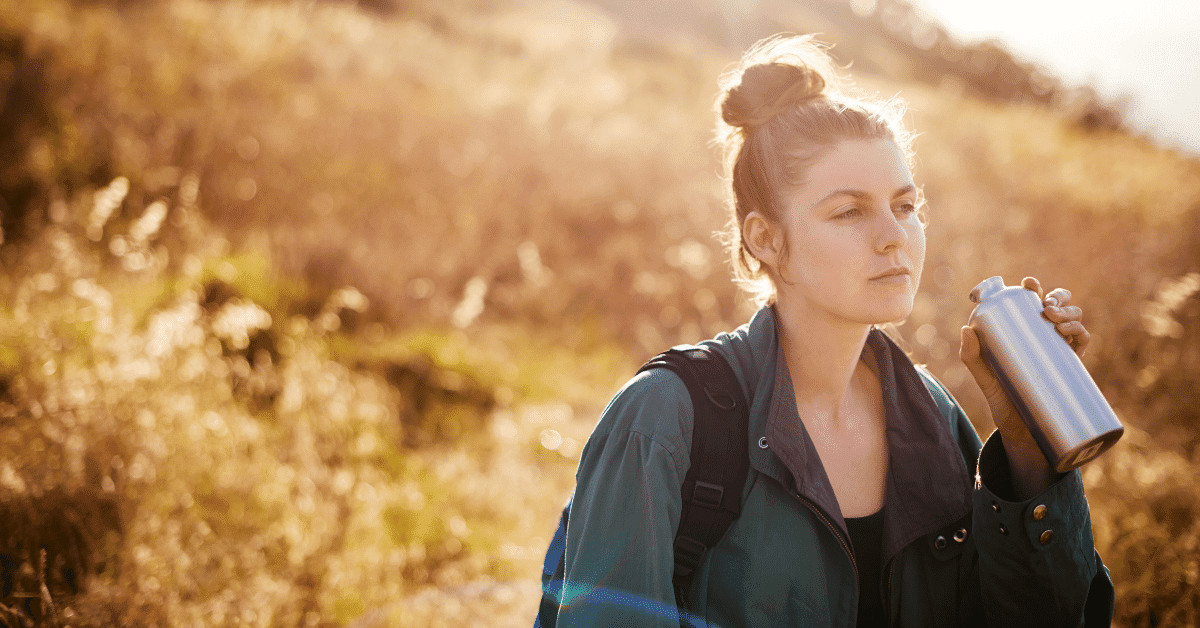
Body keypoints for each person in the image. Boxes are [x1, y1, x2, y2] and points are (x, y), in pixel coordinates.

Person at [557, 35, 1114, 627]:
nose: (893, 236)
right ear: (766, 239)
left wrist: (1030, 457)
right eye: (849, 211)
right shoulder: (663, 419)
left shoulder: (935, 416)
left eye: (905, 206)